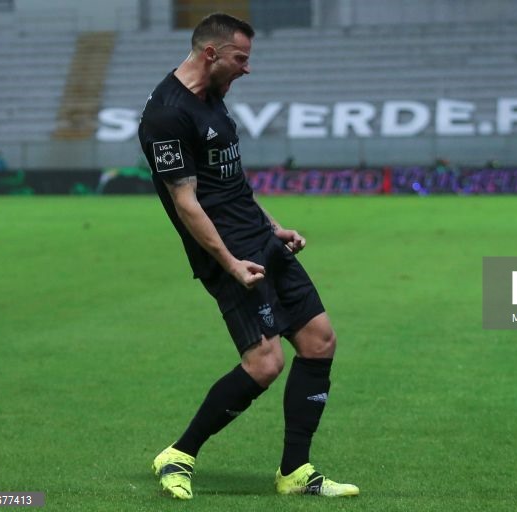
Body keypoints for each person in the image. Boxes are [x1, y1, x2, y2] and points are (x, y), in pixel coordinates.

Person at [137, 13, 358, 500]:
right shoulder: (167, 115)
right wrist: (230, 263)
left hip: (261, 240)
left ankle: (295, 472)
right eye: (241, 58)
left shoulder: (212, 97)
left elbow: (230, 181)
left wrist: (273, 226)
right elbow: (187, 203)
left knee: (319, 340)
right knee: (264, 363)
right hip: (230, 253)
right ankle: (179, 454)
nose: (247, 68)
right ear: (210, 53)